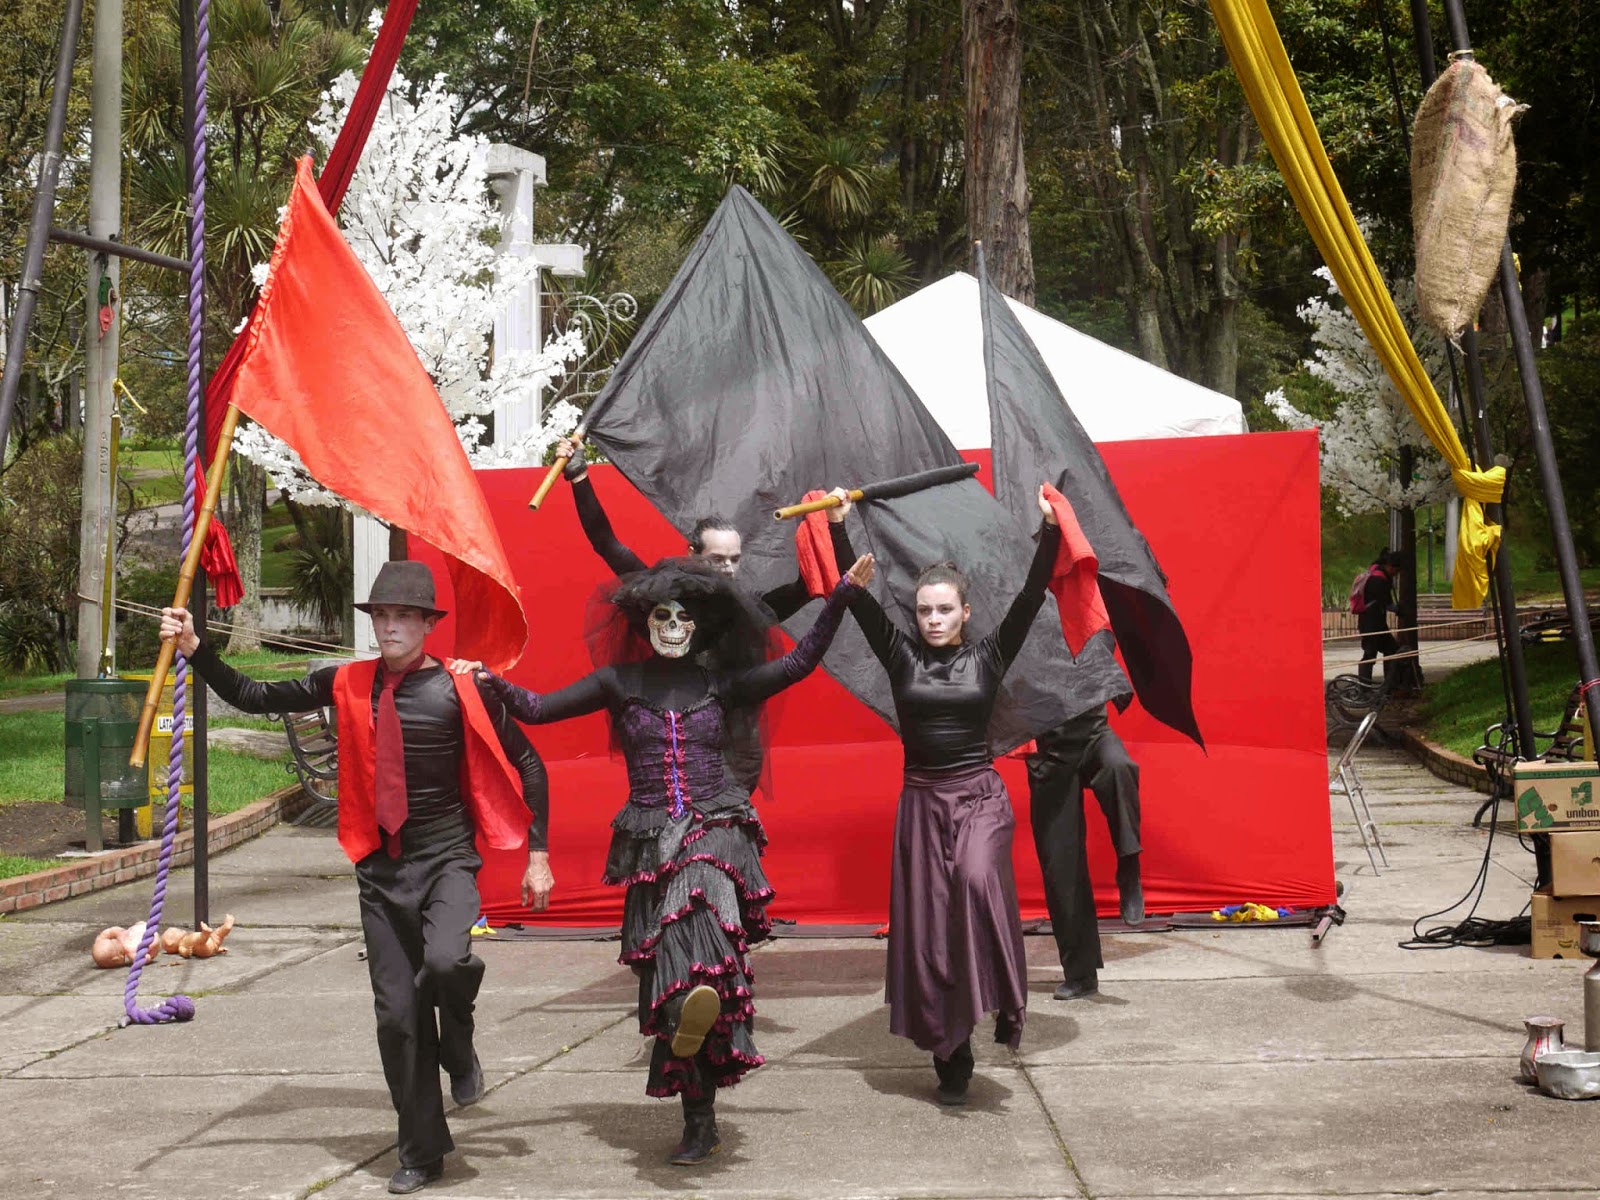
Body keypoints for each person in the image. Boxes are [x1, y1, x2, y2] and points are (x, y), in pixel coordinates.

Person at [460, 550, 874, 1164]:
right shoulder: (617, 683)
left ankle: (691, 1013)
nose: (673, 627)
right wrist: (487, 681)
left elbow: (796, 664)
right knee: (671, 971)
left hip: (715, 826)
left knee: (698, 909)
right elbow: (538, 709)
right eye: (662, 616)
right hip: (649, 840)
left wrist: (838, 598)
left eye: (683, 618)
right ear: (645, 624)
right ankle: (698, 1110)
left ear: (699, 626)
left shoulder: (720, 681)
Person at [159, 561, 553, 1196]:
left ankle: (460, 1042)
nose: (391, 627)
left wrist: (538, 853)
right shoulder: (346, 681)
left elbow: (529, 763)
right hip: (380, 868)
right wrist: (195, 648)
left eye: (404, 616)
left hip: (448, 858)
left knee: (449, 965)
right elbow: (256, 699)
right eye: (382, 616)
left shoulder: (461, 687)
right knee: (397, 1017)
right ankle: (422, 1151)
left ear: (428, 624)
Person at [826, 485, 1060, 1105]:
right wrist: (836, 525)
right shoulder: (900, 657)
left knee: (978, 884)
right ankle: (950, 1050)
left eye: (944, 610)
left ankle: (1005, 1001)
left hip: (980, 797)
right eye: (925, 610)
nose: (932, 619)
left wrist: (1053, 533)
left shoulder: (988, 657)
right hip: (923, 804)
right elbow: (858, 600)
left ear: (964, 613)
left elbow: (1034, 596)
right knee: (932, 929)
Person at [554, 436, 812, 618]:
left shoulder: (744, 609)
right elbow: (606, 543)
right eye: (717, 559)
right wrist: (579, 477)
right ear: (692, 554)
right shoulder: (660, 590)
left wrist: (828, 537)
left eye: (735, 559)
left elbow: (785, 602)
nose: (728, 568)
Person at [1025, 703, 1143, 1001]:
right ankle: (1081, 974)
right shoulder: (1021, 653)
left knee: (1119, 767)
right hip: (1049, 751)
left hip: (1095, 735)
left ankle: (1129, 867)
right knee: (1061, 863)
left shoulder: (1100, 651)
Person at [1356, 550, 1402, 685]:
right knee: (1370, 654)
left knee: (1391, 650)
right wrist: (1399, 609)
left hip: (1375, 622)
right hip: (1371, 624)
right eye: (1396, 570)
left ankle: (1389, 683)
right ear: (1389, 566)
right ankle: (1365, 687)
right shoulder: (1378, 580)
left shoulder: (1376, 574)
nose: (1396, 573)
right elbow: (1387, 603)